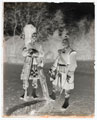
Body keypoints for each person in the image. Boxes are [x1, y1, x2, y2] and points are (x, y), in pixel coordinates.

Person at [20, 24, 50, 101]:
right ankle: (25, 92)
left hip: (36, 63)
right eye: (33, 36)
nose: (34, 38)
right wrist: (28, 52)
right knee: (25, 78)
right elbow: (23, 53)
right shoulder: (27, 44)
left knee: (35, 78)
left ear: (36, 38)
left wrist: (36, 53)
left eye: (35, 37)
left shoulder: (39, 45)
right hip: (28, 63)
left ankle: (34, 92)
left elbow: (42, 54)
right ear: (31, 37)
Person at [49, 35, 77, 109]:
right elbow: (57, 60)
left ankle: (66, 102)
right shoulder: (61, 51)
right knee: (55, 83)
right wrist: (52, 68)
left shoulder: (72, 52)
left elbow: (73, 64)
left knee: (67, 87)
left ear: (69, 42)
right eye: (63, 41)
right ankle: (53, 95)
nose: (64, 43)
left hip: (67, 71)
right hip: (59, 69)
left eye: (66, 41)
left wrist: (70, 73)